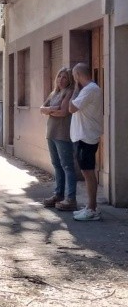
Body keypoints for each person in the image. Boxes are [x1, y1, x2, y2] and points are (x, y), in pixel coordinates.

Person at [68, 63, 104, 221]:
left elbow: (71, 108)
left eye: (74, 76)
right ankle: (91, 206)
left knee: (88, 172)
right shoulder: (89, 89)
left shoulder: (89, 89)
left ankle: (92, 209)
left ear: (77, 75)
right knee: (86, 171)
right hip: (83, 137)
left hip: (86, 137)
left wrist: (75, 88)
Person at [40, 68, 77, 211]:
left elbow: (63, 112)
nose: (61, 80)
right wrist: (52, 108)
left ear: (70, 80)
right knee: (56, 165)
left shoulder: (70, 92)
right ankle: (58, 195)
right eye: (59, 76)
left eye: (65, 78)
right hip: (51, 133)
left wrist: (49, 110)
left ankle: (70, 198)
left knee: (67, 166)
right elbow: (41, 108)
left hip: (63, 134)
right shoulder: (54, 92)